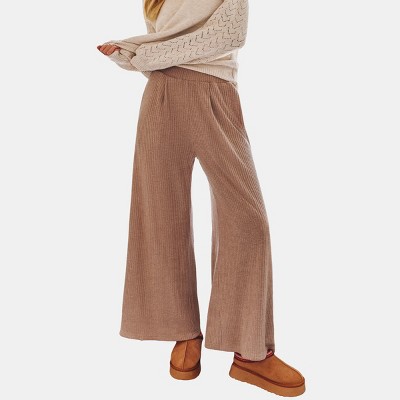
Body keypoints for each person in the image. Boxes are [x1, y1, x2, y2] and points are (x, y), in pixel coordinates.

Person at [97, 0, 305, 396]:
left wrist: (140, 53)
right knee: (160, 215)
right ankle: (182, 332)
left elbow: (228, 36)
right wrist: (134, 54)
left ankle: (250, 351)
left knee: (248, 221)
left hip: (215, 93)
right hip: (161, 93)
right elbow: (163, 46)